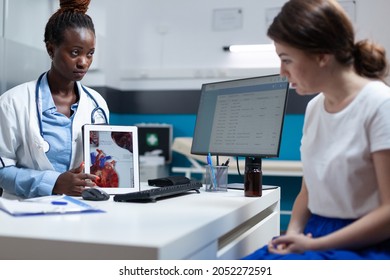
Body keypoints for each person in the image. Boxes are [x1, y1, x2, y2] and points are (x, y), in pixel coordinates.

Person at [243, 0, 390, 260]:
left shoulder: (380, 105)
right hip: (315, 232)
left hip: (364, 240)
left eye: (286, 60)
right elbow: (308, 190)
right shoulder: (315, 108)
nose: (282, 72)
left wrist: (312, 246)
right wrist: (292, 234)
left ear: (322, 56)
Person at [0, 0, 109, 198]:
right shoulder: (12, 103)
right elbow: (1, 170)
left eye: (90, 54)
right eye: (75, 52)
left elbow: (99, 165)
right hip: (26, 215)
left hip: (82, 212)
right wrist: (53, 183)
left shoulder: (97, 104)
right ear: (51, 49)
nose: (84, 62)